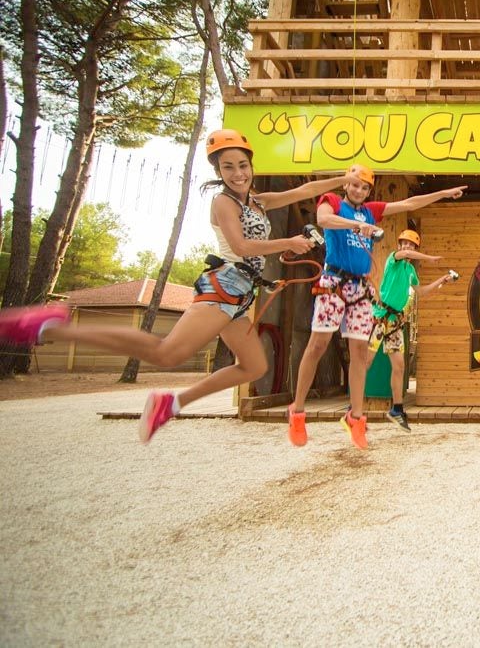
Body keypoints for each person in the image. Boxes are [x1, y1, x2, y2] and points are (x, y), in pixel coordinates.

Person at [0, 128, 359, 444]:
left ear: (252, 166)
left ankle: (172, 403)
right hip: (224, 286)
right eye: (228, 167)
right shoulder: (223, 202)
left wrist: (341, 178)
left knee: (253, 367)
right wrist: (288, 243)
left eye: (242, 165)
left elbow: (305, 189)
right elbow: (240, 247)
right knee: (165, 353)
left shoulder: (258, 202)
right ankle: (53, 325)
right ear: (218, 171)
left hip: (242, 293)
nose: (237, 173)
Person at [280, 164, 465, 449]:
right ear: (346, 185)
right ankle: (298, 411)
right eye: (354, 184)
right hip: (334, 281)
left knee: (358, 352)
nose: (358, 190)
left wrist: (443, 192)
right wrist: (356, 225)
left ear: (369, 191)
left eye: (364, 187)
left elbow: (409, 202)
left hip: (361, 288)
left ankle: (356, 418)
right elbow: (324, 220)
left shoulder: (371, 212)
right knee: (318, 345)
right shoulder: (332, 202)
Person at [368, 229, 457, 432]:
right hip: (379, 318)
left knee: (399, 366)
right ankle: (353, 406)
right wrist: (430, 258)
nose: (407, 248)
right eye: (404, 244)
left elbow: (421, 292)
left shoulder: (410, 272)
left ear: (415, 248)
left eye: (411, 245)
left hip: (395, 322)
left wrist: (441, 280)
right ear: (400, 247)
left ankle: (396, 410)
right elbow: (405, 256)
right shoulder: (394, 259)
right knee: (366, 361)